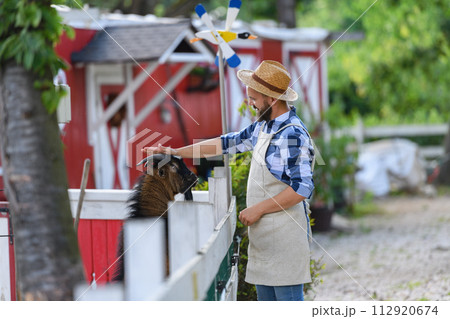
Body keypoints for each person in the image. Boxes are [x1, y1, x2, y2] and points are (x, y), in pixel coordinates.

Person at [144, 60, 315, 301]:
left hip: (285, 238)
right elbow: (224, 143)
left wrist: (258, 209)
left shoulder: (292, 134)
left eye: (254, 99)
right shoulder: (262, 127)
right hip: (265, 237)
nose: (251, 104)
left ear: (272, 100)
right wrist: (176, 152)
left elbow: (302, 189)